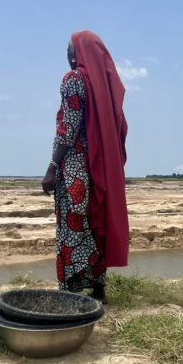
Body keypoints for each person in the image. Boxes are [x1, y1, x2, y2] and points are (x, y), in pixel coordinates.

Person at [41, 31, 130, 303]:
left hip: (75, 170)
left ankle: (70, 292)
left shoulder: (73, 80)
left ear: (78, 53)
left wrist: (53, 166)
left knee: (71, 228)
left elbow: (68, 128)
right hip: (99, 170)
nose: (68, 55)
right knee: (94, 224)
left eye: (70, 49)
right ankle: (98, 290)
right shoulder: (104, 86)